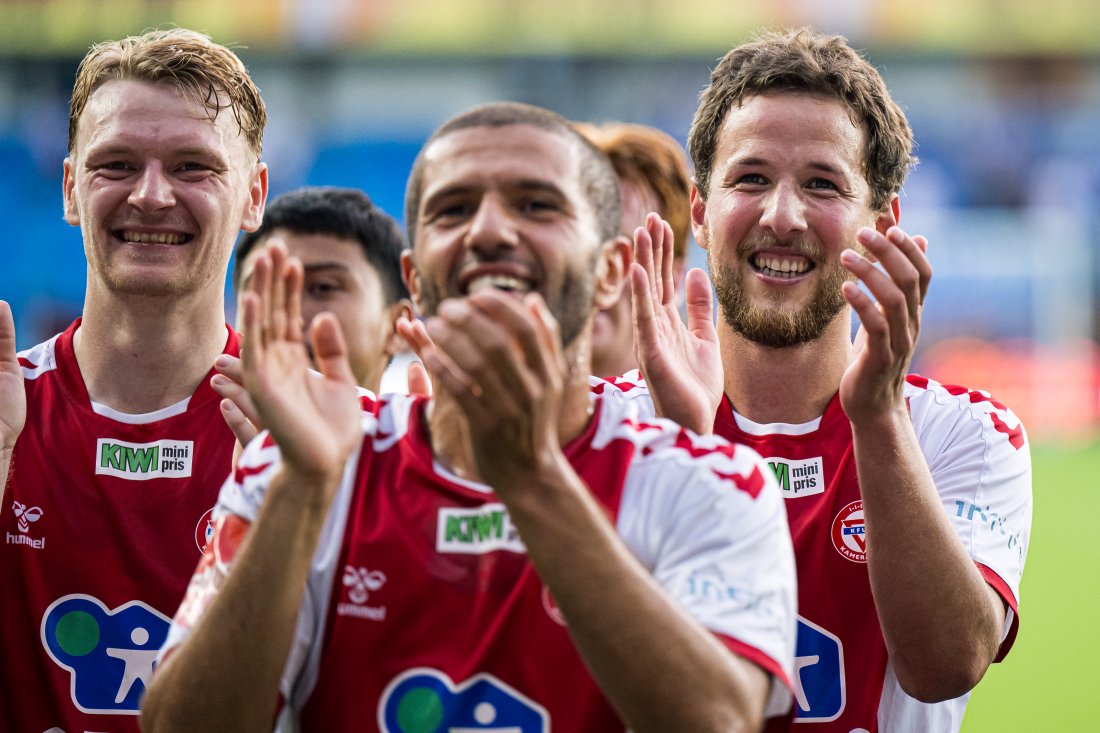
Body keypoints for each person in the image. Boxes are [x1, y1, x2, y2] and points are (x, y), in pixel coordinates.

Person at [140, 101, 798, 732]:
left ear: (610, 271)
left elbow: (719, 719)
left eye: (536, 204)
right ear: (416, 280)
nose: (487, 231)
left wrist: (534, 474)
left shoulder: (719, 481)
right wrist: (301, 490)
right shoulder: (297, 464)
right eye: (453, 209)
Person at [624, 28, 1032, 731]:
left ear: (884, 219)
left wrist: (877, 416)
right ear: (699, 210)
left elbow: (946, 663)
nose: (783, 216)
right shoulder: (609, 423)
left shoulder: (965, 433)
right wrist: (677, 445)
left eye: (822, 184)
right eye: (751, 178)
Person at [0, 28, 267, 731]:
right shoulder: (7, 415)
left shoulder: (309, 435)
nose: (151, 196)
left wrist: (294, 507)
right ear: (68, 187)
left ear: (254, 195)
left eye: (192, 167)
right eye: (115, 163)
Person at [211, 187, 416, 447]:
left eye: (323, 288)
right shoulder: (186, 453)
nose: (287, 316)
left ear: (398, 326)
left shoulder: (435, 465)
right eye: (267, 289)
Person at [575, 122, 692, 378]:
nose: (596, 271)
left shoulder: (703, 415)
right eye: (576, 243)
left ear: (674, 279)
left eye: (623, 249)